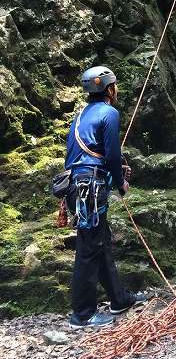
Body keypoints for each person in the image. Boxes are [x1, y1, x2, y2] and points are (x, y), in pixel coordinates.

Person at [66, 66, 146, 329]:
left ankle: (118, 299)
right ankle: (82, 315)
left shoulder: (80, 116)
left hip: (78, 184)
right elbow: (111, 155)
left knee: (99, 241)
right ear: (110, 89)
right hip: (91, 185)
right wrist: (120, 182)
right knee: (89, 247)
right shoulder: (109, 113)